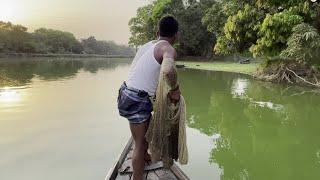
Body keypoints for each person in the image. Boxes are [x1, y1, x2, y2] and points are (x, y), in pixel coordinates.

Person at [117, 15, 181, 180]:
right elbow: (168, 70)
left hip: (126, 93)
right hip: (137, 99)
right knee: (138, 144)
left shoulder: (147, 45)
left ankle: (144, 156)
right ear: (176, 35)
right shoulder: (168, 48)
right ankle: (138, 174)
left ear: (157, 32)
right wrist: (175, 89)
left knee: (145, 135)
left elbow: (140, 73)